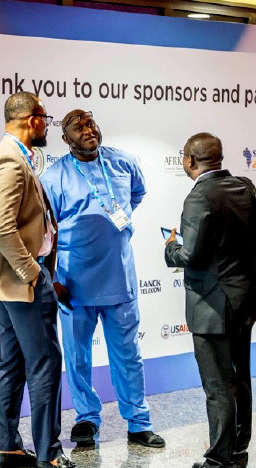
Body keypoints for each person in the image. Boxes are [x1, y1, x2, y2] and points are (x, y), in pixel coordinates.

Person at [0, 92, 91, 468]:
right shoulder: (10, 161)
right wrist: (32, 272)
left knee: (12, 361)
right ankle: (50, 454)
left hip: (12, 281)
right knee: (45, 362)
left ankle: (8, 447)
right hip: (23, 280)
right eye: (46, 117)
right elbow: (2, 227)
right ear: (32, 120)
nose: (48, 124)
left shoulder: (14, 156)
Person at [40, 109, 164, 449]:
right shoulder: (54, 177)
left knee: (128, 355)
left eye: (90, 123)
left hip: (119, 277)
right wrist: (53, 279)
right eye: (78, 127)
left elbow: (136, 195)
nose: (87, 130)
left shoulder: (124, 162)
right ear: (65, 139)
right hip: (73, 282)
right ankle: (87, 418)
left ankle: (139, 422)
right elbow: (46, 231)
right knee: (77, 357)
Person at [165, 132, 256, 468]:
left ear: (190, 161)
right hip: (243, 301)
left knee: (218, 386)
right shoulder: (244, 187)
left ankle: (218, 466)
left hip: (211, 307)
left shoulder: (198, 197)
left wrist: (170, 248)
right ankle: (237, 454)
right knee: (239, 381)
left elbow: (192, 255)